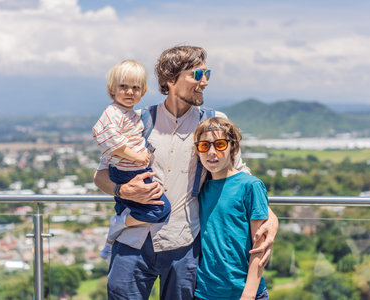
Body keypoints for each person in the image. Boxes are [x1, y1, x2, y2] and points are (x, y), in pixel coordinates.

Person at [93, 45, 279, 300]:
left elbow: (239, 176)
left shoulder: (211, 122)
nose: (204, 82)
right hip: (133, 240)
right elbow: (100, 175)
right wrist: (122, 190)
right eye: (197, 74)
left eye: (207, 74)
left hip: (182, 246)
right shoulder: (137, 120)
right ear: (170, 79)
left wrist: (270, 217)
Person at [92, 60, 171, 260]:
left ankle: (111, 240)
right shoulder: (112, 113)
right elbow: (108, 140)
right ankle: (119, 224)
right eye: (124, 86)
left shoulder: (132, 114)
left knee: (140, 206)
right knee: (161, 209)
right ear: (112, 89)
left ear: (143, 91)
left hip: (132, 170)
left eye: (135, 87)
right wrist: (137, 155)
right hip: (127, 171)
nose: (129, 92)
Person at [193, 117, 269, 300]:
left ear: (233, 147)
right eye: (204, 146)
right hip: (205, 293)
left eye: (219, 144)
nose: (211, 152)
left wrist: (249, 294)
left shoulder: (250, 185)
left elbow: (259, 246)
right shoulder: (201, 189)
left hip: (245, 292)